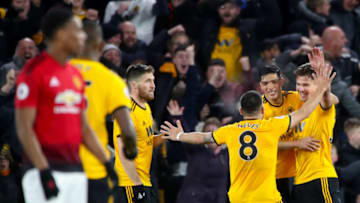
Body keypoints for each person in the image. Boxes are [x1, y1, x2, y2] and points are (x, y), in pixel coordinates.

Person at [160, 59, 335, 202]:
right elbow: (304, 112)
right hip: (267, 197)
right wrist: (322, 88)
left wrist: (180, 135)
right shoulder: (272, 126)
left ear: (241, 111)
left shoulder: (230, 131)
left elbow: (203, 137)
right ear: (263, 110)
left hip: (239, 198)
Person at [15, 9, 117, 203]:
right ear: (61, 35)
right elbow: (24, 128)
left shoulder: (75, 75)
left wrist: (106, 163)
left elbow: (84, 128)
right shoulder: (34, 71)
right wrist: (44, 171)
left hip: (75, 170)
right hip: (43, 170)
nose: (83, 37)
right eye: (78, 30)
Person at [69, 20, 138, 203]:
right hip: (94, 170)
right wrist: (131, 151)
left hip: (57, 168)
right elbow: (127, 129)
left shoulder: (52, 74)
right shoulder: (111, 80)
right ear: (100, 46)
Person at [259, 63, 323, 203]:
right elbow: (265, 143)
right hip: (275, 175)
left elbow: (326, 102)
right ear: (260, 86)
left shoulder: (295, 98)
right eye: (265, 83)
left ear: (281, 82)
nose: (270, 87)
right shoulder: (259, 110)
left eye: (274, 82)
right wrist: (298, 143)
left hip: (301, 172)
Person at [291, 50, 341, 203]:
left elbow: (329, 99)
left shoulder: (321, 105)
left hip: (320, 178)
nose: (300, 88)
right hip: (298, 182)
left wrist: (324, 88)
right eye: (298, 84)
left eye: (305, 85)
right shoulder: (296, 108)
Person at [113, 64, 163, 203]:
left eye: (153, 81)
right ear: (134, 85)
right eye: (148, 81)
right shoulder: (127, 111)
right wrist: (137, 186)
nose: (153, 85)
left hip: (144, 181)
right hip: (130, 184)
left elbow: (145, 141)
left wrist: (167, 136)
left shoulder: (146, 108)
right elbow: (124, 153)